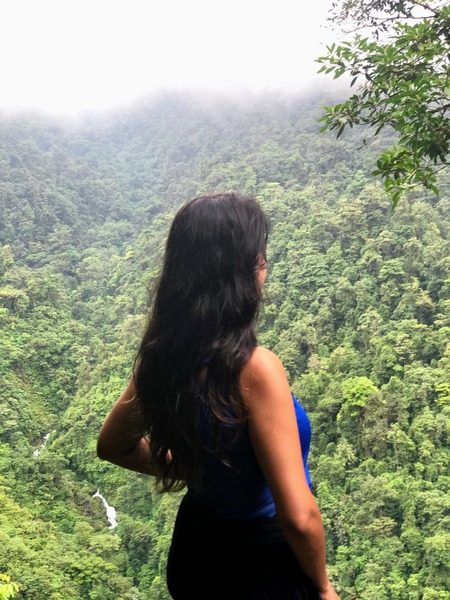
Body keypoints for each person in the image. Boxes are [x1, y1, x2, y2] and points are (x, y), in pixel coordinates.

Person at [97, 192, 340, 600]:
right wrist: (323, 588)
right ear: (241, 274)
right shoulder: (255, 369)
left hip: (196, 549)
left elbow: (112, 446)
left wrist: (193, 469)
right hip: (261, 562)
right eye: (260, 259)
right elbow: (298, 518)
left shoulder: (162, 357)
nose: (265, 268)